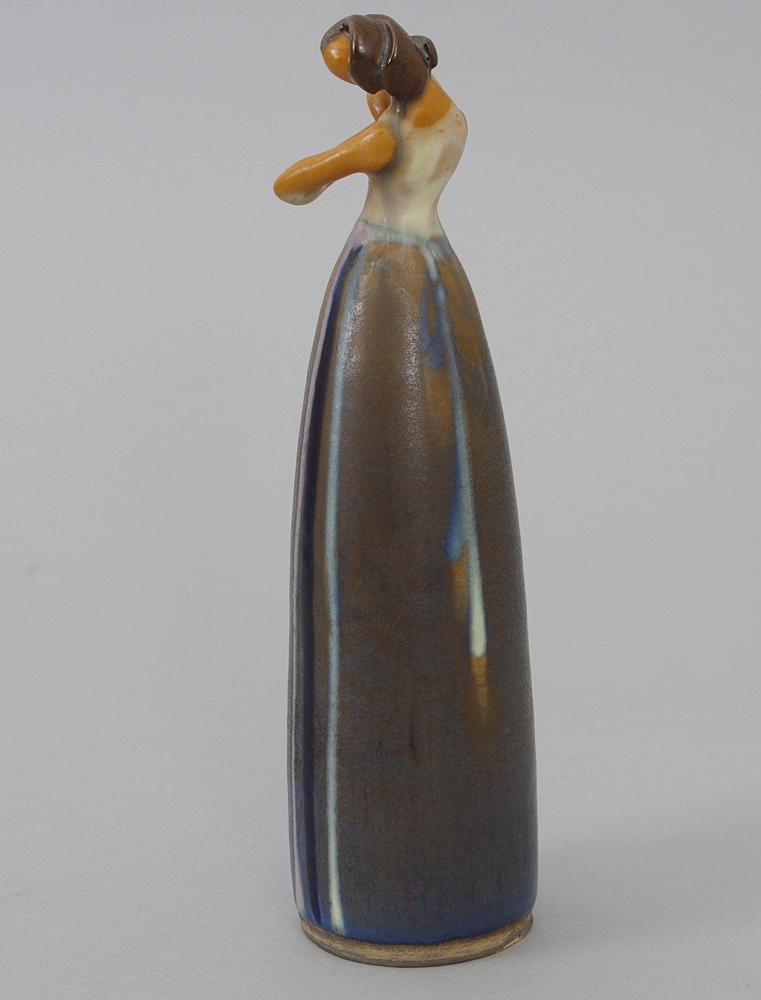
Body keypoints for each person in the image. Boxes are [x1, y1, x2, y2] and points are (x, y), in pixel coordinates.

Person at [276, 15, 537, 965]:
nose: (356, 92)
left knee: (378, 573)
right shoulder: (451, 120)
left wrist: (341, 152)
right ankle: (478, 880)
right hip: (436, 278)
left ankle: (377, 892)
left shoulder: (384, 142)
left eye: (352, 73)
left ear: (378, 68)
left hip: (384, 280)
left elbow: (297, 181)